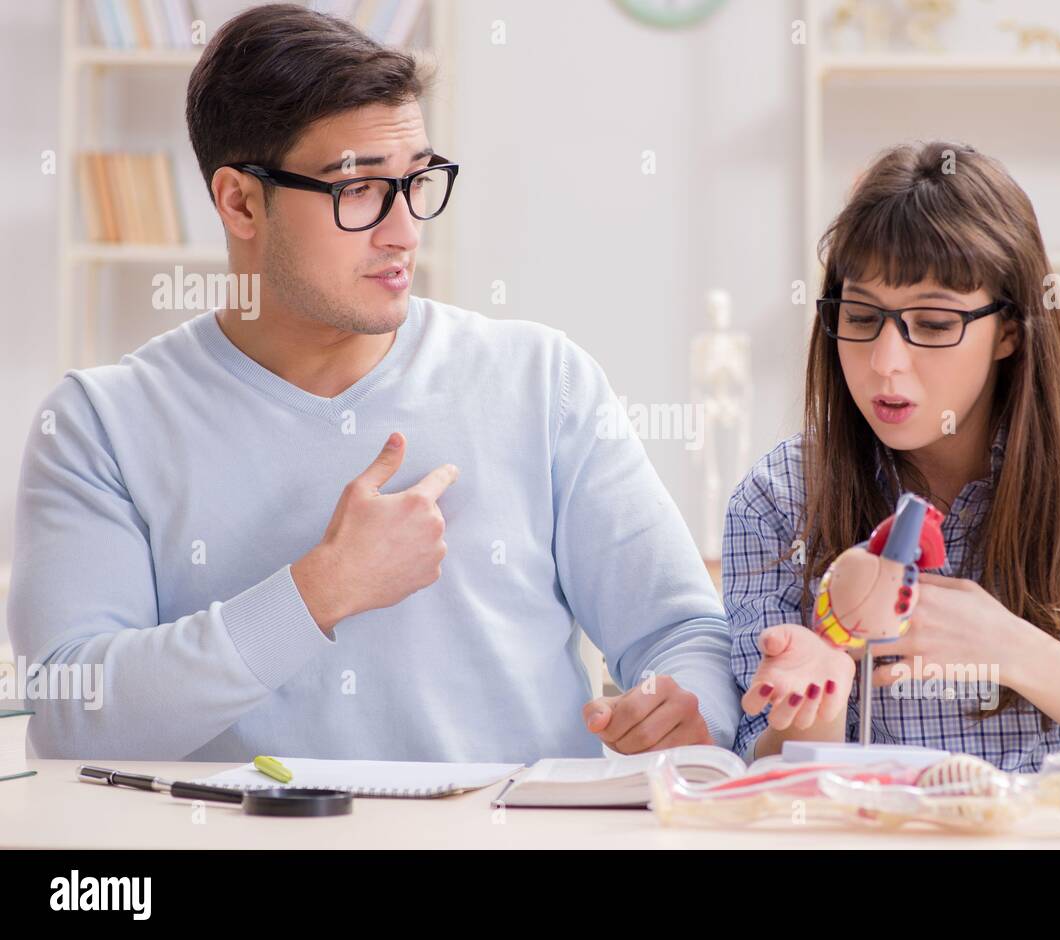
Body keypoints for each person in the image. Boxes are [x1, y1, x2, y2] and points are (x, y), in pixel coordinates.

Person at [7, 4, 739, 762]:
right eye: (357, 190)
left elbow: (680, 632)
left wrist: (689, 710)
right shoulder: (102, 423)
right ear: (240, 201)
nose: (404, 231)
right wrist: (318, 592)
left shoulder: (542, 381)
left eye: (416, 181)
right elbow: (69, 709)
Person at [726, 141, 1060, 772]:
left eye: (937, 324)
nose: (886, 362)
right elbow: (762, 782)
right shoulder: (781, 496)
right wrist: (820, 697)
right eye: (861, 316)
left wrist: (1013, 649)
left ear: (1009, 329)